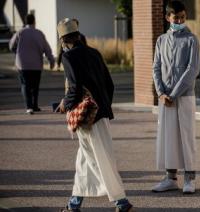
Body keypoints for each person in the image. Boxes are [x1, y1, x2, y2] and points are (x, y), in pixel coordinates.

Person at [57, 18, 133, 212]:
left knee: (100, 159)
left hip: (86, 117)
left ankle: (122, 202)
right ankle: (74, 204)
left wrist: (65, 103)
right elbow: (109, 85)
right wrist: (103, 105)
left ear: (63, 40)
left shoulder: (68, 57)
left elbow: (74, 87)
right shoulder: (94, 52)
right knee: (85, 161)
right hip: (101, 113)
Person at [152, 0, 200, 194]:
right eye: (175, 17)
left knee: (186, 137)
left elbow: (192, 70)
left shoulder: (191, 39)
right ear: (168, 17)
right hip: (165, 98)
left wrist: (173, 93)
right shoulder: (161, 40)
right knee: (167, 137)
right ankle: (170, 178)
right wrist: (161, 93)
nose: (179, 20)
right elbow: (156, 67)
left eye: (182, 17)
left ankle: (190, 179)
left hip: (184, 96)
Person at [9, 14, 55, 115]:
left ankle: (29, 107)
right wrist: (51, 60)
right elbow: (46, 48)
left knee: (25, 85)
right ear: (34, 21)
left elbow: (11, 45)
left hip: (22, 64)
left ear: (25, 22)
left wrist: (17, 52)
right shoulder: (39, 33)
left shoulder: (20, 32)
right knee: (35, 86)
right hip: (36, 65)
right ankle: (35, 105)